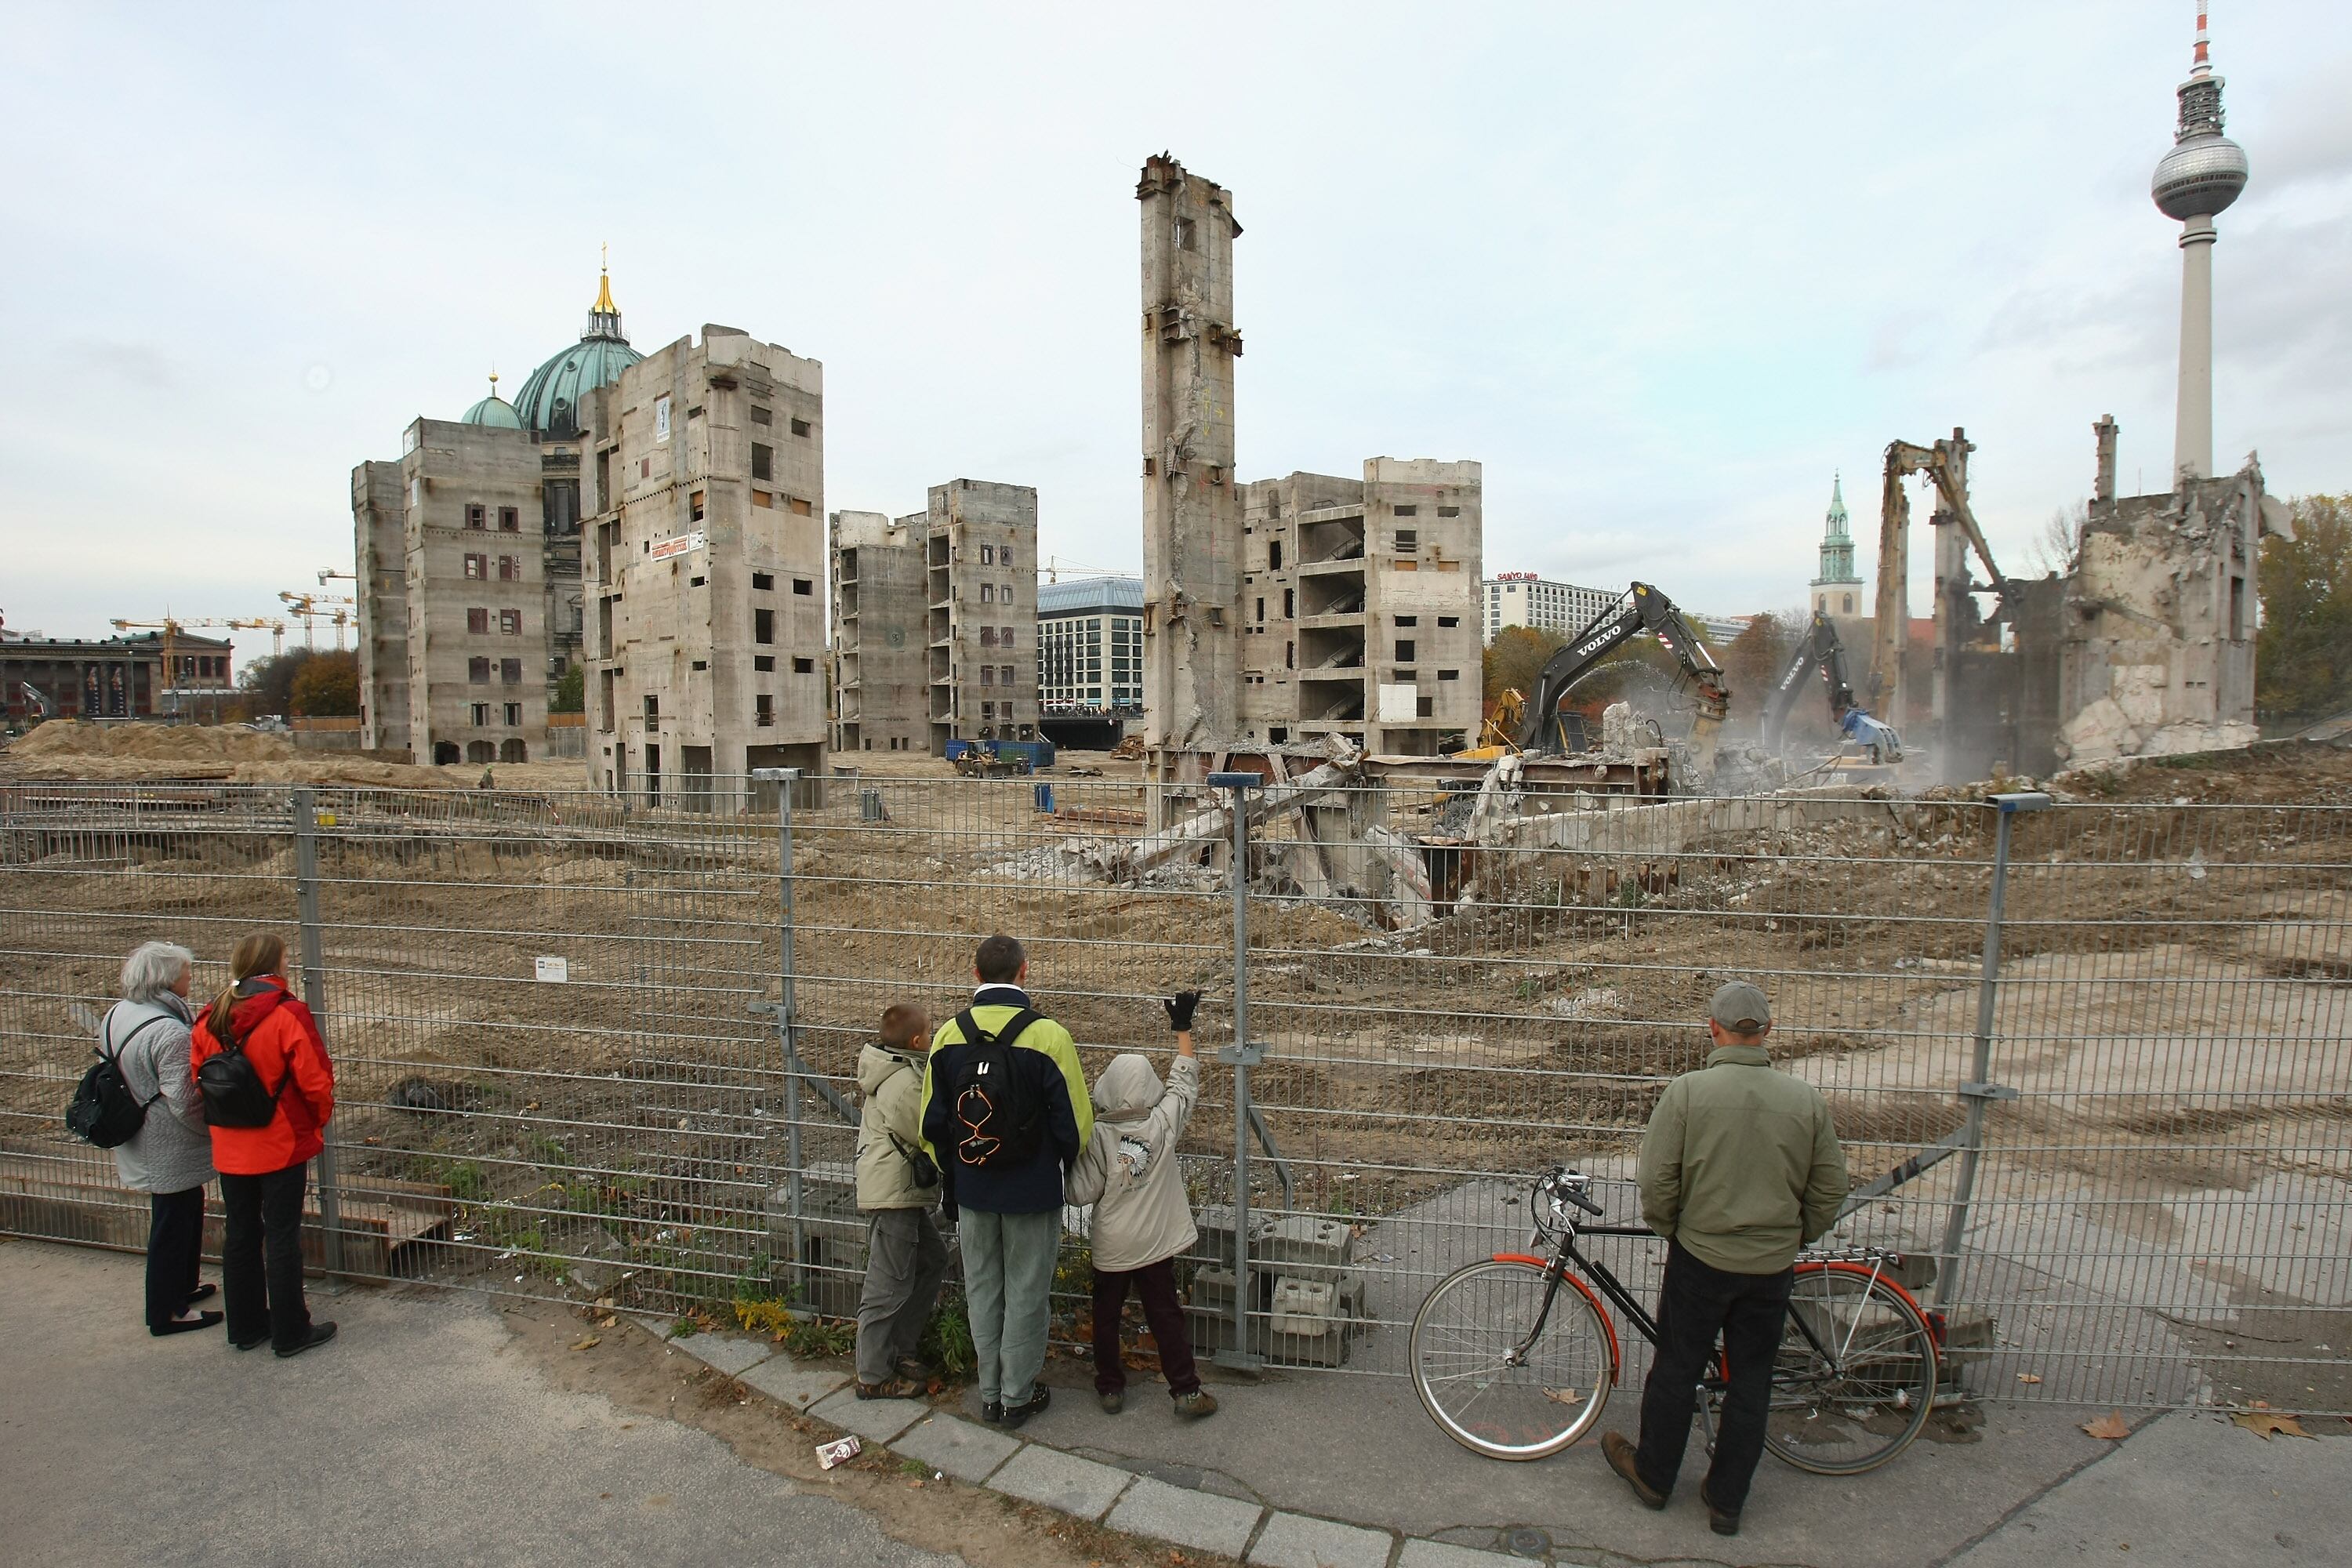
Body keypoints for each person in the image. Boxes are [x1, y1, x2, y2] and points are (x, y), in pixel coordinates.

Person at [1602, 981, 1847, 1537]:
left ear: (1711, 1028)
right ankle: (1726, 1500)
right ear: (1767, 1033)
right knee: (1752, 1379)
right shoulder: (1805, 1101)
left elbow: (1656, 1181)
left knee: (1676, 1368)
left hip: (1701, 1258)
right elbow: (1831, 1188)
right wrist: (1795, 1235)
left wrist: (1675, 1230)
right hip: (1770, 1266)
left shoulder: (1688, 1093)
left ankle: (1655, 1476)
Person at [920, 933, 1092, 1428]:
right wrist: (1052, 1164)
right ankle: (1018, 1395)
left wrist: (958, 1169)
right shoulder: (1050, 1037)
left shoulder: (949, 1036)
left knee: (983, 1288)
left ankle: (990, 1393)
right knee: (1026, 1290)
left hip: (973, 1189)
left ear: (975, 975)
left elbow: (930, 1127)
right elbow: (1076, 1128)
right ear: (1025, 971)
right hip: (1032, 1189)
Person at [187, 933, 338, 1359]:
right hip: (280, 1143)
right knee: (282, 1236)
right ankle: (291, 1330)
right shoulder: (289, 1013)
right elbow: (315, 1081)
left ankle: (246, 1326)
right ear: (276, 964)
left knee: (240, 1233)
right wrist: (318, 1120)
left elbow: (200, 1079)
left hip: (231, 1147)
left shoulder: (209, 1017)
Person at [1067, 989, 1216, 1420]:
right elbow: (1184, 1080)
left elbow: (1078, 1194)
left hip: (1113, 1246)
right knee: (1165, 1313)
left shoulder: (1096, 1137)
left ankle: (1110, 1387)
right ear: (1148, 1085)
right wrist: (1182, 1026)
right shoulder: (1163, 1124)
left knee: (1107, 1315)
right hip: (1155, 1243)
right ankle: (1186, 1391)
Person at [106, 941, 220, 1337]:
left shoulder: (120, 1013)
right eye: (185, 972)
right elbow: (185, 1102)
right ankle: (166, 1312)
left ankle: (183, 1287)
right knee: (171, 1222)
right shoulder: (169, 1031)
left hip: (140, 1131)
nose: (190, 977)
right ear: (167, 980)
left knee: (187, 1207)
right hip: (167, 1143)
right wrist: (214, 1132)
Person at [852, 1001, 948, 1399]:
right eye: (929, 1033)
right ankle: (872, 1375)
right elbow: (928, 1130)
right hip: (894, 1196)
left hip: (898, 1192)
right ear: (915, 1041)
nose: (932, 1037)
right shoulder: (904, 1084)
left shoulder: (895, 1069)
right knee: (887, 1283)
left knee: (932, 1260)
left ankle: (900, 1348)